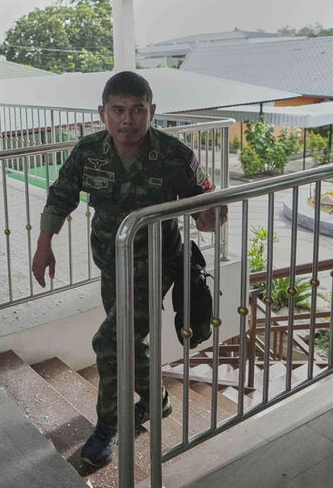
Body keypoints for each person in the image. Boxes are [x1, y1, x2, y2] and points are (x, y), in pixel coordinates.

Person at [31, 71, 226, 468]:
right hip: (110, 259)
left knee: (110, 342)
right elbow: (62, 195)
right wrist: (43, 244)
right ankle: (158, 400)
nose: (127, 120)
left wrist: (211, 216)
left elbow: (207, 207)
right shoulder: (88, 152)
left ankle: (108, 428)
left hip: (155, 262)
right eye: (118, 110)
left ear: (152, 112)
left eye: (138, 111)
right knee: (128, 341)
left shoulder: (174, 155)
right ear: (102, 113)